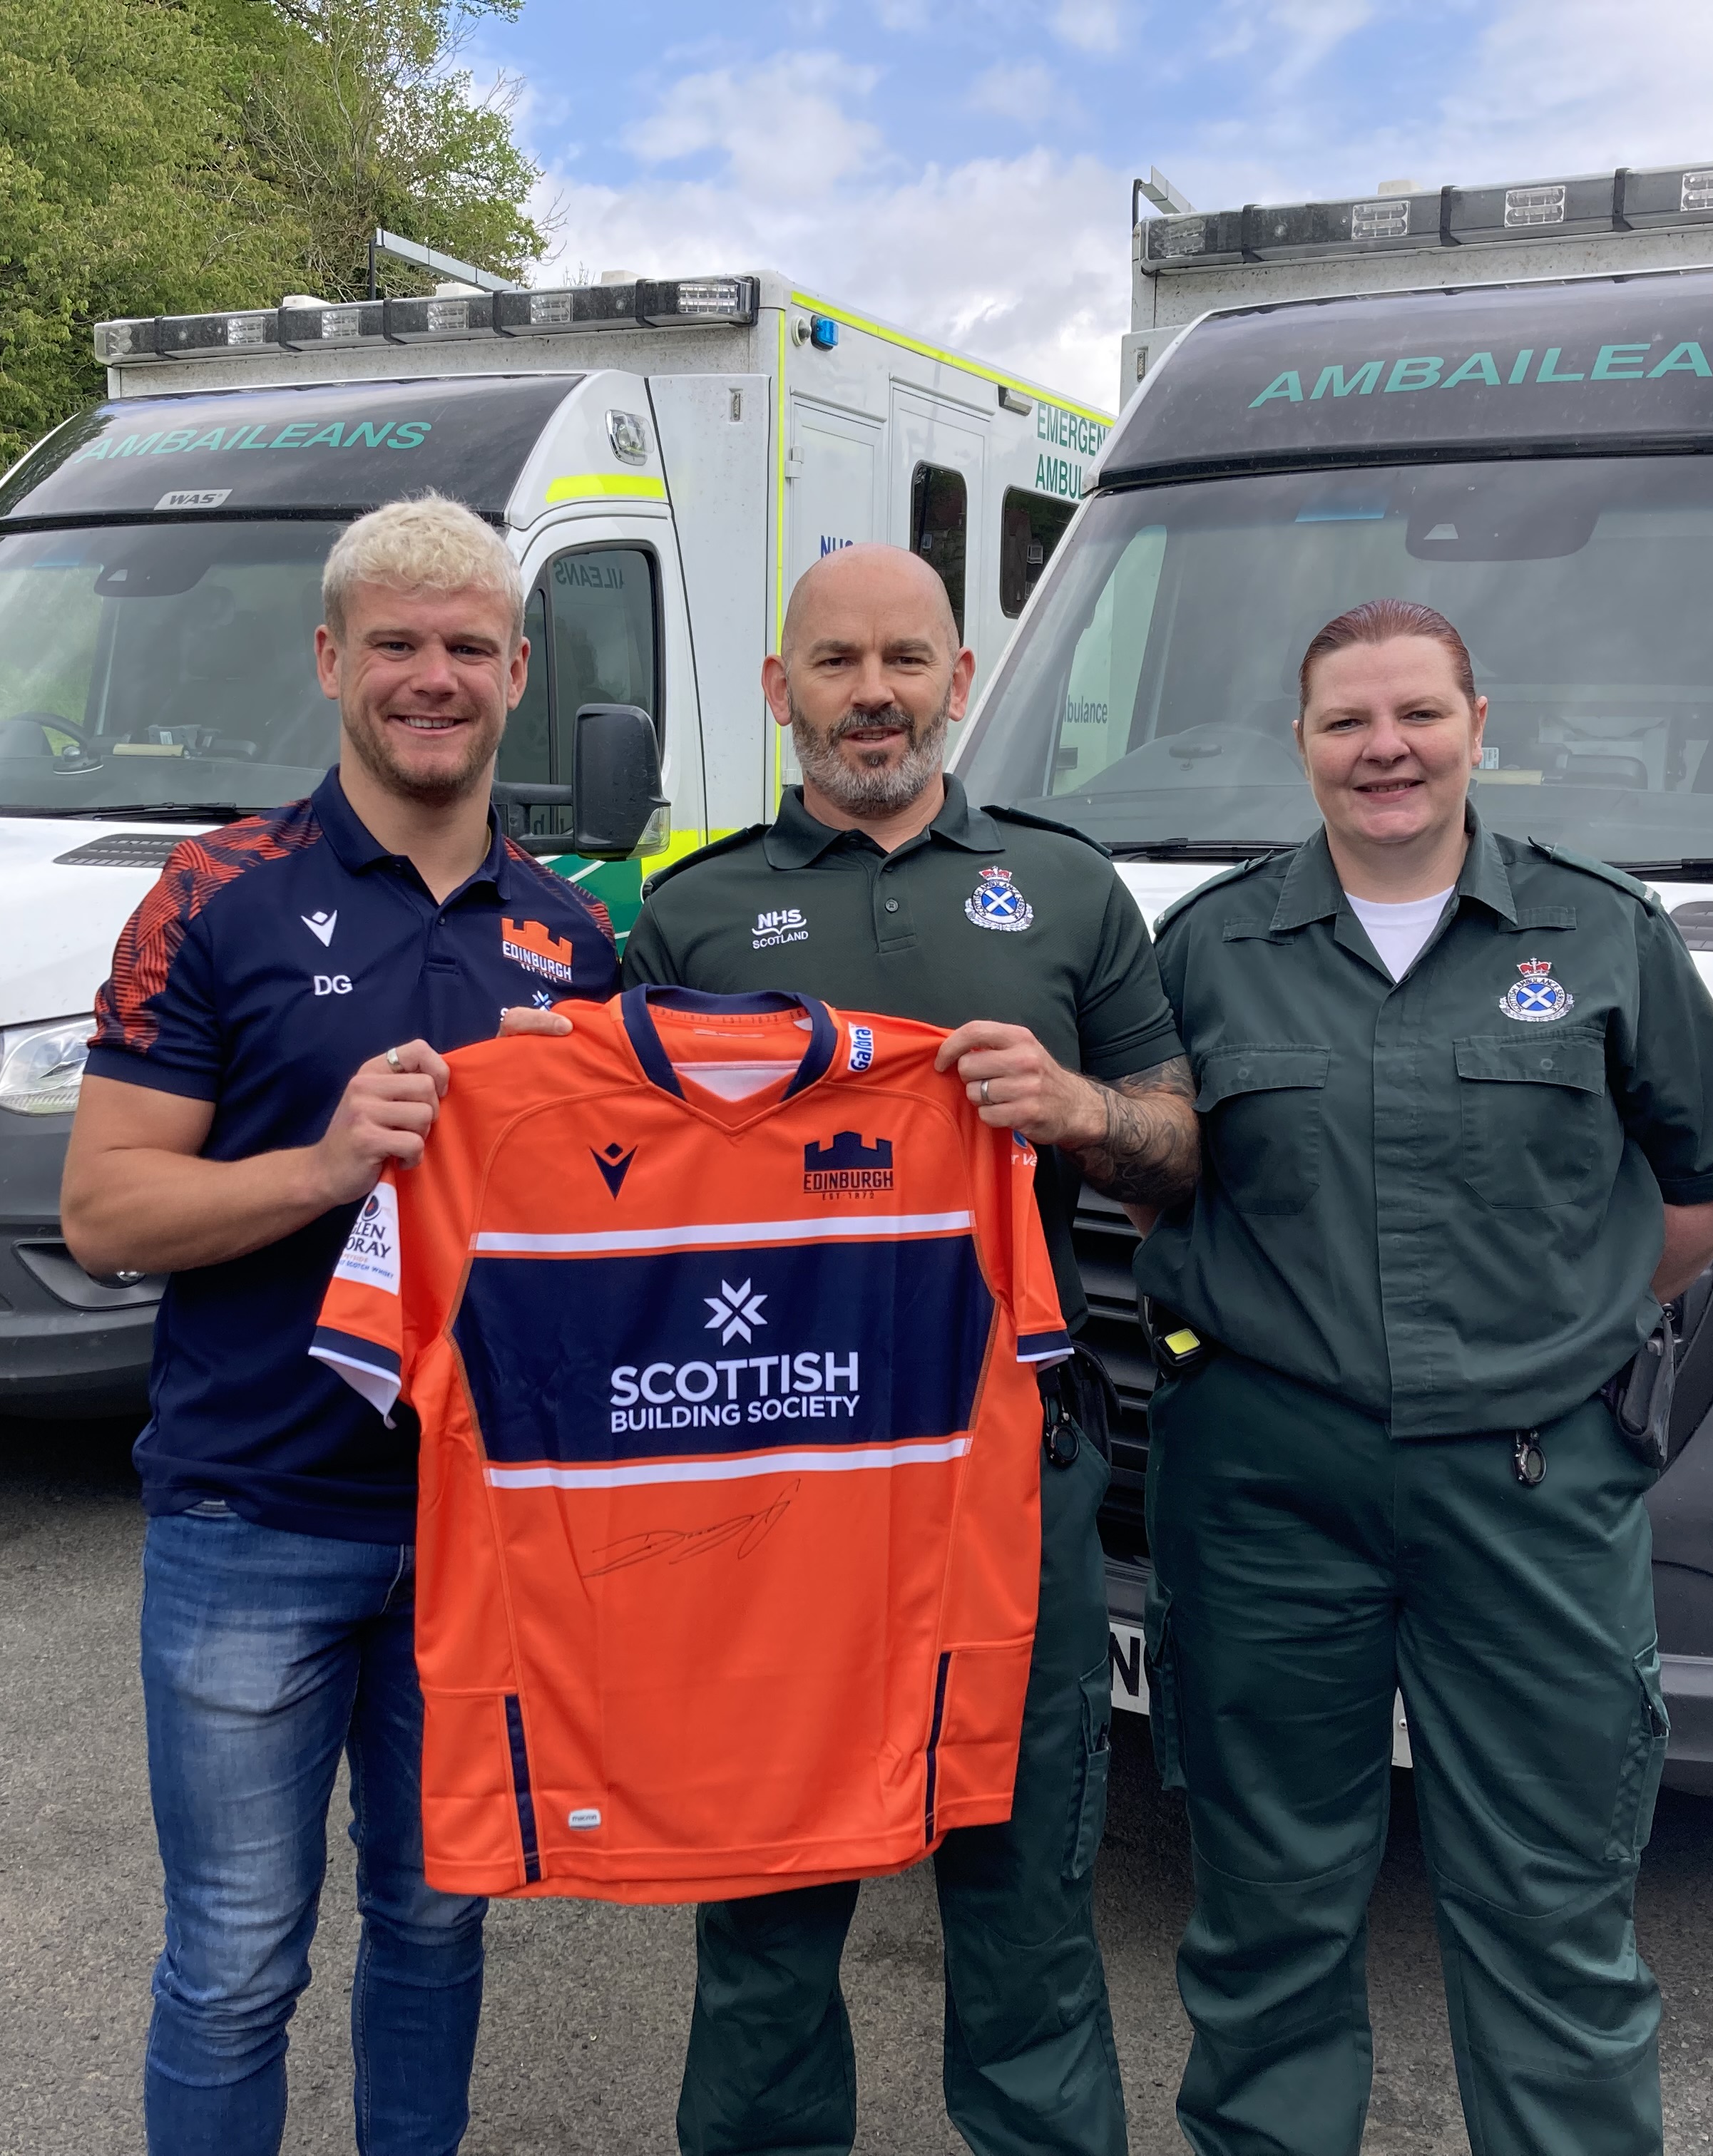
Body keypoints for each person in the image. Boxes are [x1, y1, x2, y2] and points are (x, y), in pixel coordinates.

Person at [1138, 597, 1713, 2156]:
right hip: (1266, 1490)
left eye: (1418, 716)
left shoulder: (1602, 933)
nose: (1387, 749)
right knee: (1269, 1905)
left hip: (1530, 1489)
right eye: (1349, 721)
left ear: (1478, 727)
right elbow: (1152, 1173)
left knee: (1552, 1906)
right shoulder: (1211, 947)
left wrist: (1567, 1319)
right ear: (1298, 745)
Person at [620, 542, 1201, 2156]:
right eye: (834, 662)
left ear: (961, 677)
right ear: (777, 688)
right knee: (763, 1931)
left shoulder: (1069, 890)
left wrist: (1083, 1111)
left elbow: (1181, 1143)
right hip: (765, 1484)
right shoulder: (692, 911)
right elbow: (611, 1205)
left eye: (904, 659)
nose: (871, 694)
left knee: (1023, 1918)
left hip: (1014, 1468)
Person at [59, 494, 620, 2156]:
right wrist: (322, 1164)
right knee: (235, 1962)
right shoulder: (213, 896)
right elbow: (104, 1215)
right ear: (331, 660)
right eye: (397, 643)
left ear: (519, 671)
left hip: (477, 1535)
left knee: (439, 1929)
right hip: (254, 1515)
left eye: (465, 646)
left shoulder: (575, 936)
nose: (429, 677)